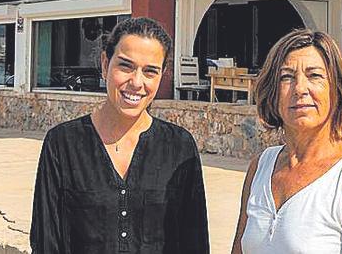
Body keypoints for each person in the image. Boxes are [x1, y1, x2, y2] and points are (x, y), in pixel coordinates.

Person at [30, 17, 208, 253]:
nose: (136, 82)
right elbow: (46, 240)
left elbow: (194, 242)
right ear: (105, 64)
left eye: (150, 71)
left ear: (162, 75)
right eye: (125, 66)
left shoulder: (179, 147)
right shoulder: (62, 144)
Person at [233, 29, 342, 254]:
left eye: (314, 76)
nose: (300, 88)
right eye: (286, 77)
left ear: (337, 90)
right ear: (273, 92)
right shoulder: (260, 167)